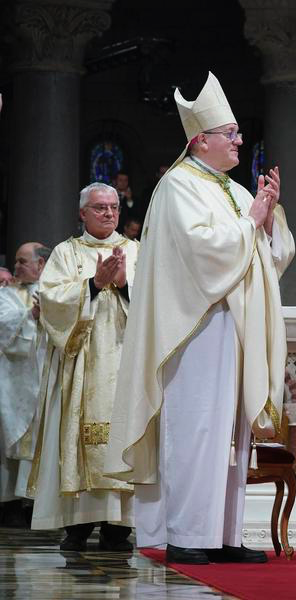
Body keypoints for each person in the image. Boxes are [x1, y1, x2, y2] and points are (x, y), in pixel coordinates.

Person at [105, 72, 295, 565]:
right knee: (199, 429)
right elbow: (200, 251)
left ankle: (226, 535)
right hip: (197, 327)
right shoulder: (178, 187)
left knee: (234, 434)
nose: (238, 141)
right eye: (229, 134)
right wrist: (252, 221)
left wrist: (269, 221)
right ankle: (189, 533)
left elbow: (271, 257)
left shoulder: (230, 190)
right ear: (199, 140)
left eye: (236, 133)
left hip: (236, 327)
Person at [29, 183, 138, 551]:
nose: (108, 213)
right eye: (100, 208)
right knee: (77, 436)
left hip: (125, 359)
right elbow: (51, 299)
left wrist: (124, 286)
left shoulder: (136, 251)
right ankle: (77, 524)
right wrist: (93, 284)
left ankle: (118, 526)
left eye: (113, 207)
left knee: (124, 436)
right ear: (83, 214)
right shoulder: (65, 252)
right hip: (82, 362)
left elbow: (157, 303)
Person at [0, 243, 50, 527]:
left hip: (44, 374)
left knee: (39, 439)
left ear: (41, 265)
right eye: (16, 262)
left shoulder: (53, 290)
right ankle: (9, 503)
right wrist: (29, 316)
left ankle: (32, 502)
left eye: (22, 261)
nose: (17, 267)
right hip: (13, 379)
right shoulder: (7, 294)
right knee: (10, 441)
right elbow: (2, 323)